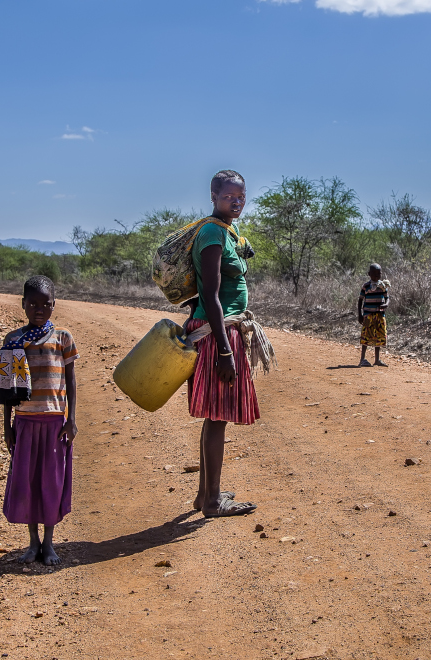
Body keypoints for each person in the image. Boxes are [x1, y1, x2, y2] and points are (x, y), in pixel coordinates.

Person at [185, 170, 260, 518]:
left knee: (215, 418)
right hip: (219, 334)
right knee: (217, 418)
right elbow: (210, 295)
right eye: (230, 196)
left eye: (241, 197)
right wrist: (226, 352)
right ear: (214, 195)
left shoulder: (228, 232)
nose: (237, 202)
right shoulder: (213, 233)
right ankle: (213, 502)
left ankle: (205, 495)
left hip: (220, 330)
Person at [0, 275, 79, 565]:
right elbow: (7, 389)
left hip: (55, 423)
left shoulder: (62, 338)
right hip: (25, 422)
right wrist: (7, 426)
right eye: (33, 304)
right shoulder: (14, 341)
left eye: (46, 304)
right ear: (23, 305)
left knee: (50, 483)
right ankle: (32, 543)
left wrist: (72, 420)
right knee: (28, 483)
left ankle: (49, 543)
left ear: (54, 305)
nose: (39, 309)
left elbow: (71, 381)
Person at [358, 263, 390, 367]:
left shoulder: (383, 286)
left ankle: (377, 359)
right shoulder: (366, 286)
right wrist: (360, 314)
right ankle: (362, 359)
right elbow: (360, 300)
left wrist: (386, 304)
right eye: (374, 274)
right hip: (368, 315)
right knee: (366, 336)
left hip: (380, 315)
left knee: (379, 336)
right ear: (369, 274)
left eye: (378, 274)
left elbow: (387, 297)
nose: (376, 276)